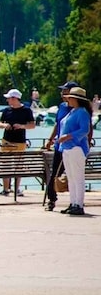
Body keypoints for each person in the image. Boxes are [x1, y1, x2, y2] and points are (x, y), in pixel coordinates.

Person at [43, 81, 79, 211]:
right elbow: (57, 124)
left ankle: (75, 202)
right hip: (59, 147)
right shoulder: (62, 106)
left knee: (73, 175)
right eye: (62, 91)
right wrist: (50, 139)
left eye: (65, 90)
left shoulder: (79, 109)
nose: (62, 93)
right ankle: (51, 200)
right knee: (54, 174)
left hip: (72, 146)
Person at [58, 87, 93, 216]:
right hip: (67, 148)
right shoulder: (72, 111)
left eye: (70, 98)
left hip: (76, 147)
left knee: (78, 177)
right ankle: (73, 203)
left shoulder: (82, 112)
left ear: (76, 99)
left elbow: (85, 130)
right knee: (71, 178)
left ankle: (79, 204)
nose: (68, 100)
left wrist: (68, 136)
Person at [0, 88, 36, 196]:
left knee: (18, 165)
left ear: (14, 98)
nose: (7, 100)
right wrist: (5, 125)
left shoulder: (26, 111)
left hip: (20, 141)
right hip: (7, 140)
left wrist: (21, 126)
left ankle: (17, 189)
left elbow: (32, 125)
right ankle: (6, 189)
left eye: (9, 98)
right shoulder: (6, 110)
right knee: (5, 165)